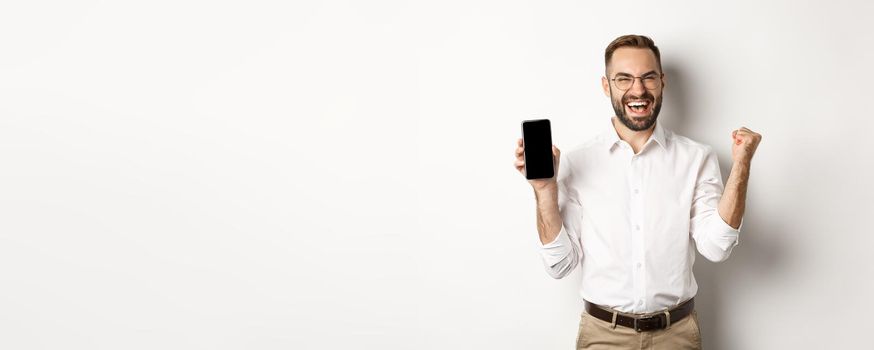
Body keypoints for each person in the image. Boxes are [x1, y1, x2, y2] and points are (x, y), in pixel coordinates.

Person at [513, 35, 762, 349]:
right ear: (607, 86)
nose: (638, 90)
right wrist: (545, 189)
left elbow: (716, 247)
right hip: (603, 336)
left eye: (648, 77)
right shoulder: (577, 162)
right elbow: (560, 265)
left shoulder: (697, 158)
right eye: (624, 79)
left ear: (662, 82)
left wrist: (741, 165)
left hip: (677, 336)